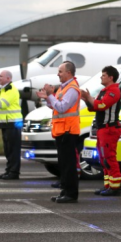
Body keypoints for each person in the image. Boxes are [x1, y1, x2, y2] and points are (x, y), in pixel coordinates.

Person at [38, 61, 81, 203]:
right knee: (63, 164)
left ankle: (71, 194)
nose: (58, 74)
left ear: (69, 73)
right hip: (61, 130)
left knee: (69, 164)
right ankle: (65, 191)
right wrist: (48, 98)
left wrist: (50, 95)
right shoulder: (64, 88)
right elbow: (55, 106)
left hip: (68, 131)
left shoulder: (72, 89)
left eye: (61, 71)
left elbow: (62, 107)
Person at [81, 66, 121, 196]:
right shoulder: (104, 91)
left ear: (111, 77)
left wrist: (89, 98)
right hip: (102, 130)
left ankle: (114, 188)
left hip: (109, 129)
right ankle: (108, 186)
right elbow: (94, 107)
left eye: (104, 75)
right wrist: (87, 100)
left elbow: (101, 105)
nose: (101, 77)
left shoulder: (114, 91)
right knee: (103, 158)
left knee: (109, 158)